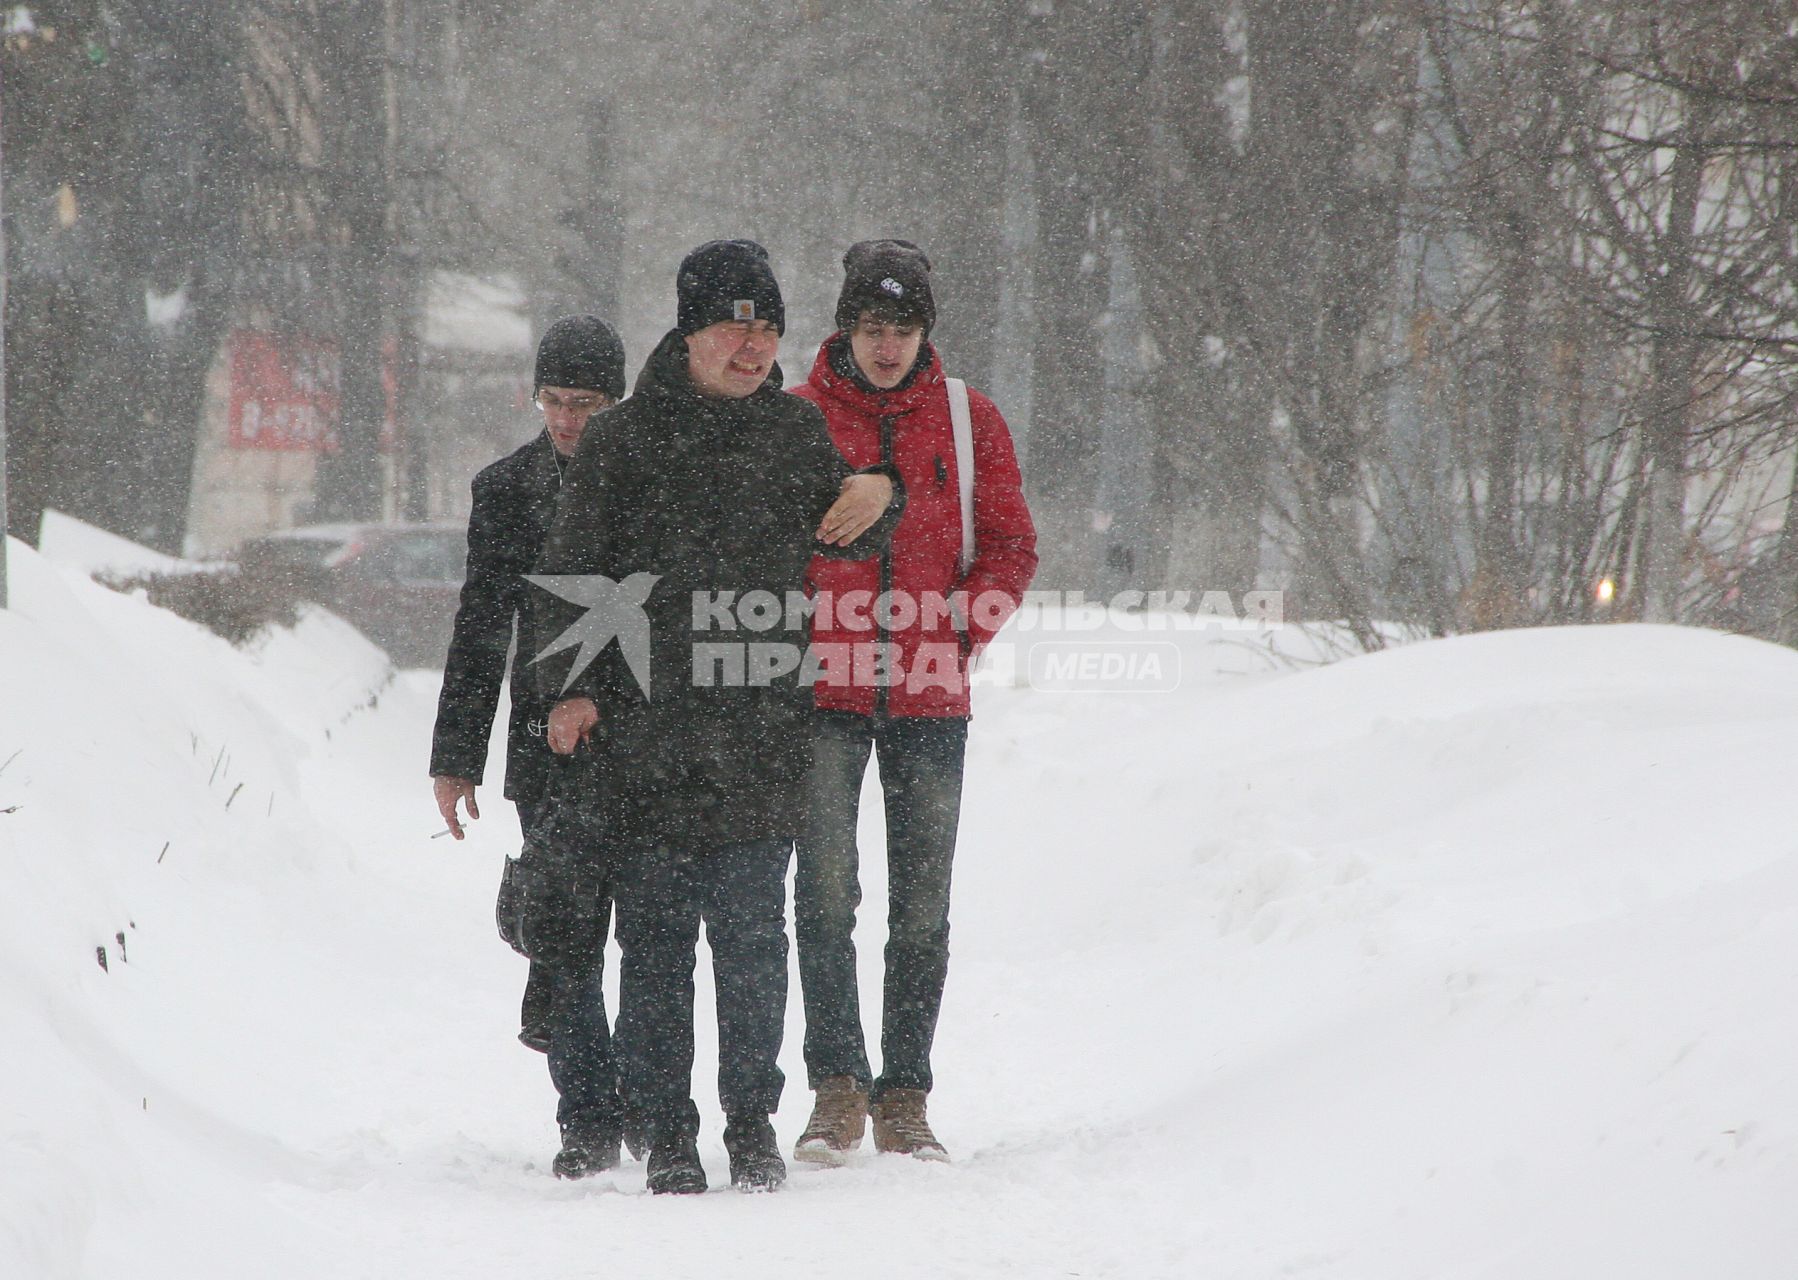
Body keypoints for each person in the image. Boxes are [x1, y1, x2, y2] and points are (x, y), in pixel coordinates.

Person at [529, 239, 903, 1195]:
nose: (753, 347)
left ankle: (749, 1125)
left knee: (750, 943)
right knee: (653, 946)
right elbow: (572, 574)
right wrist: (568, 691)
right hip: (645, 736)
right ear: (691, 330)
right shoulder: (621, 440)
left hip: (760, 728)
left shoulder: (793, 432)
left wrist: (879, 491)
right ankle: (665, 1132)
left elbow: (856, 522)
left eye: (769, 329)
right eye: (736, 327)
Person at [789, 240, 1037, 1164]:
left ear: (924, 330)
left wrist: (956, 636)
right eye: (870, 326)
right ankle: (835, 1089)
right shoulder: (798, 417)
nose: (886, 345)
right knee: (822, 895)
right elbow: (762, 549)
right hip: (819, 697)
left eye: (902, 328)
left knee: (922, 907)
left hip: (932, 700)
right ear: (844, 328)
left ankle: (906, 1093)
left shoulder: (969, 421)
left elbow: (1011, 547)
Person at [428, 314, 636, 1178]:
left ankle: (652, 1103)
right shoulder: (508, 486)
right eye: (551, 400)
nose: (564, 419)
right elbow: (481, 627)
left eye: (582, 402)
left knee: (653, 935)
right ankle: (585, 1117)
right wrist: (454, 756)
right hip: (540, 742)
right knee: (567, 930)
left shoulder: (652, 478)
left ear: (615, 400)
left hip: (646, 733)